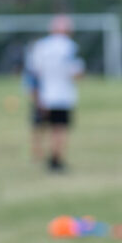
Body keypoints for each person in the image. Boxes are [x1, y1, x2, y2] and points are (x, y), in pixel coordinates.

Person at [27, 15, 84, 172]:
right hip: (63, 95)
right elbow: (76, 72)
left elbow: (33, 73)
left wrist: (35, 94)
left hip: (44, 94)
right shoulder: (69, 46)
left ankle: (37, 154)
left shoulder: (41, 46)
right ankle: (56, 160)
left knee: (39, 125)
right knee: (59, 128)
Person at [21, 41, 47, 161]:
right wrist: (38, 102)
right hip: (39, 100)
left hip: (49, 99)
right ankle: (36, 152)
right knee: (37, 127)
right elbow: (31, 88)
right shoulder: (33, 70)